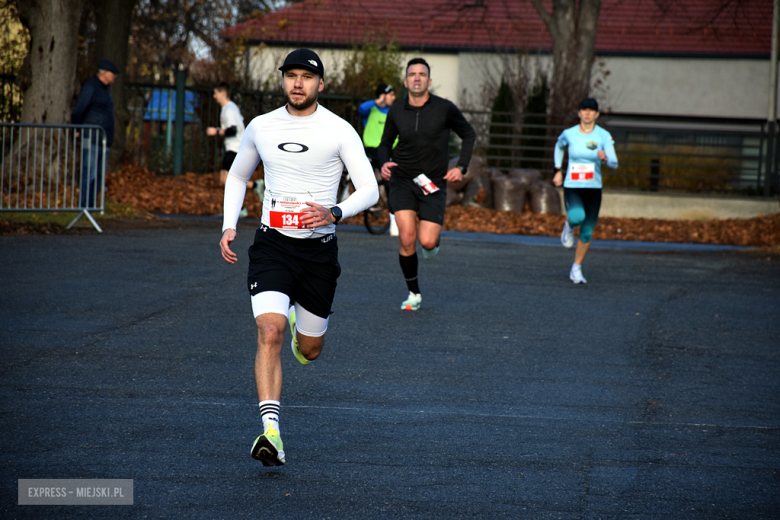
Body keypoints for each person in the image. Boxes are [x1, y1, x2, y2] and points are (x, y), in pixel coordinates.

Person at [219, 48, 378, 466]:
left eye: (306, 77)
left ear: (320, 85)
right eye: (290, 75)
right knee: (267, 331)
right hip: (272, 244)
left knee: (310, 350)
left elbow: (369, 189)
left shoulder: (340, 130)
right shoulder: (262, 126)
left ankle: (298, 328)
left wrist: (335, 211)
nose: (297, 83)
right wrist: (228, 224)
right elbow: (238, 174)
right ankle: (271, 432)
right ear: (283, 81)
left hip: (318, 253)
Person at [378, 57, 476, 311]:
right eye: (413, 74)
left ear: (429, 81)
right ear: (406, 81)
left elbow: (468, 134)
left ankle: (434, 240)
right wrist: (384, 163)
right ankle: (414, 293)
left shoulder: (445, 108)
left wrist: (461, 167)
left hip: (433, 183)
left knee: (428, 242)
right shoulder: (397, 110)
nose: (417, 78)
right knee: (407, 236)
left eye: (422, 74)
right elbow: (385, 143)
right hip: (402, 179)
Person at [553, 97, 619, 284]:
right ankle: (568, 226)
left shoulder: (603, 136)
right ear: (579, 113)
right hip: (573, 186)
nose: (588, 113)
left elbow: (615, 163)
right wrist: (557, 170)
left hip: (593, 188)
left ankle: (576, 268)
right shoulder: (570, 133)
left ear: (597, 114)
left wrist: (606, 158)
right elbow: (558, 146)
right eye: (585, 110)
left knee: (587, 231)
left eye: (592, 111)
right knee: (576, 217)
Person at [71, 59, 119, 208]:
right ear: (104, 72)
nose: (115, 77)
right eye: (113, 74)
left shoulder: (106, 90)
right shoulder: (91, 87)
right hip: (91, 136)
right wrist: (77, 129)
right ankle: (84, 205)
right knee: (89, 172)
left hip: (103, 139)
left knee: (99, 175)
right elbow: (79, 110)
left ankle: (91, 204)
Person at [206, 82, 257, 218]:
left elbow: (233, 130)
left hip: (235, 147)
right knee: (227, 179)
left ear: (223, 93)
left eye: (216, 93)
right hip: (234, 147)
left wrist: (215, 131)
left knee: (229, 179)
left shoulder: (230, 109)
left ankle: (242, 206)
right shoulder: (229, 108)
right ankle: (254, 189)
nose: (214, 96)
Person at [359, 83, 397, 234]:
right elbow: (361, 108)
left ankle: (393, 219)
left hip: (386, 152)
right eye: (391, 95)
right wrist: (377, 102)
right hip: (369, 151)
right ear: (383, 96)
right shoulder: (370, 110)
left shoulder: (393, 112)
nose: (393, 98)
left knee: (388, 183)